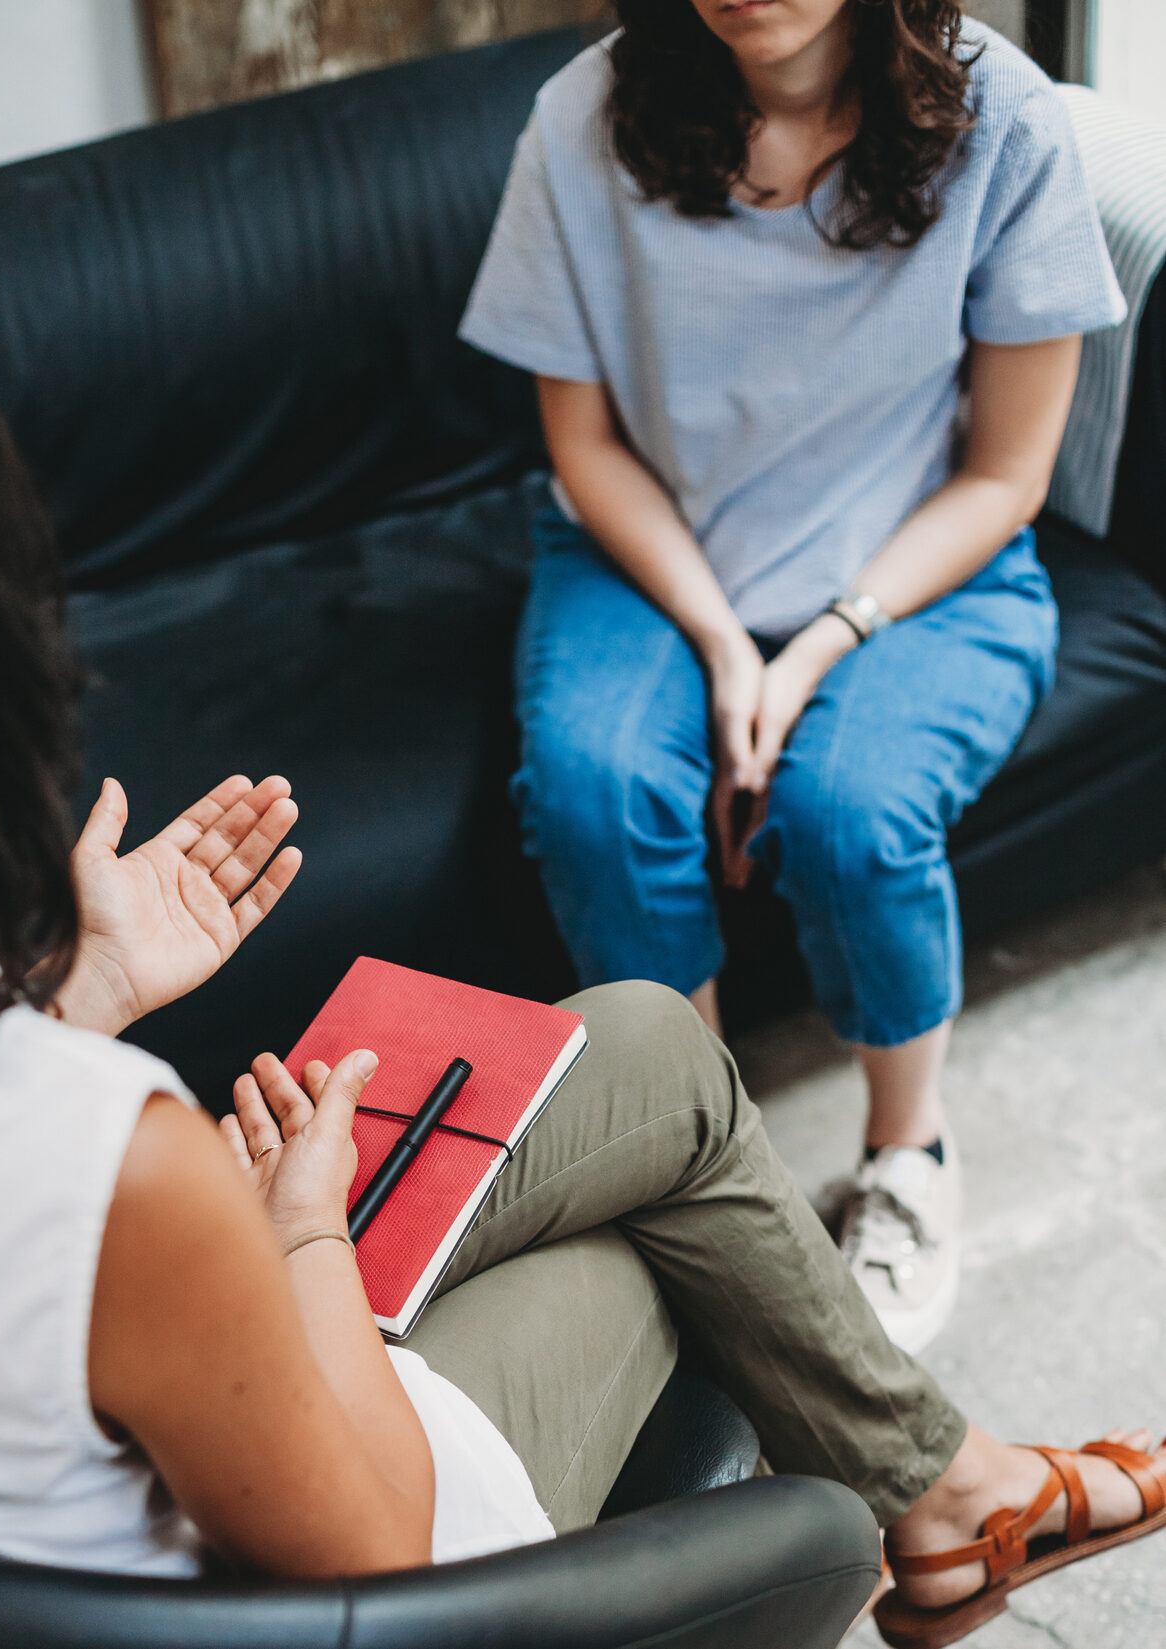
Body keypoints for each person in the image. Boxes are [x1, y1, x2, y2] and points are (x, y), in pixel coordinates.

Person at [0, 226, 1161, 1649]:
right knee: (678, 1246)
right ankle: (943, 1505)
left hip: (73, 1479)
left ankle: (946, 1494)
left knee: (645, 1044)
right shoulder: (123, 1170)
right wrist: (296, 1233)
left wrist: (83, 993)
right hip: (357, 1570)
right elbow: (375, 1565)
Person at [458, 0, 1127, 1353]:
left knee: (853, 812)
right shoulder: (581, 118)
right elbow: (580, 443)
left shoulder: (1005, 123)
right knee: (591, 788)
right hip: (648, 544)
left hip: (918, 556)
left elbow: (1007, 473)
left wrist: (823, 639)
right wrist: (718, 640)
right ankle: (706, 1169)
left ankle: (907, 1155)